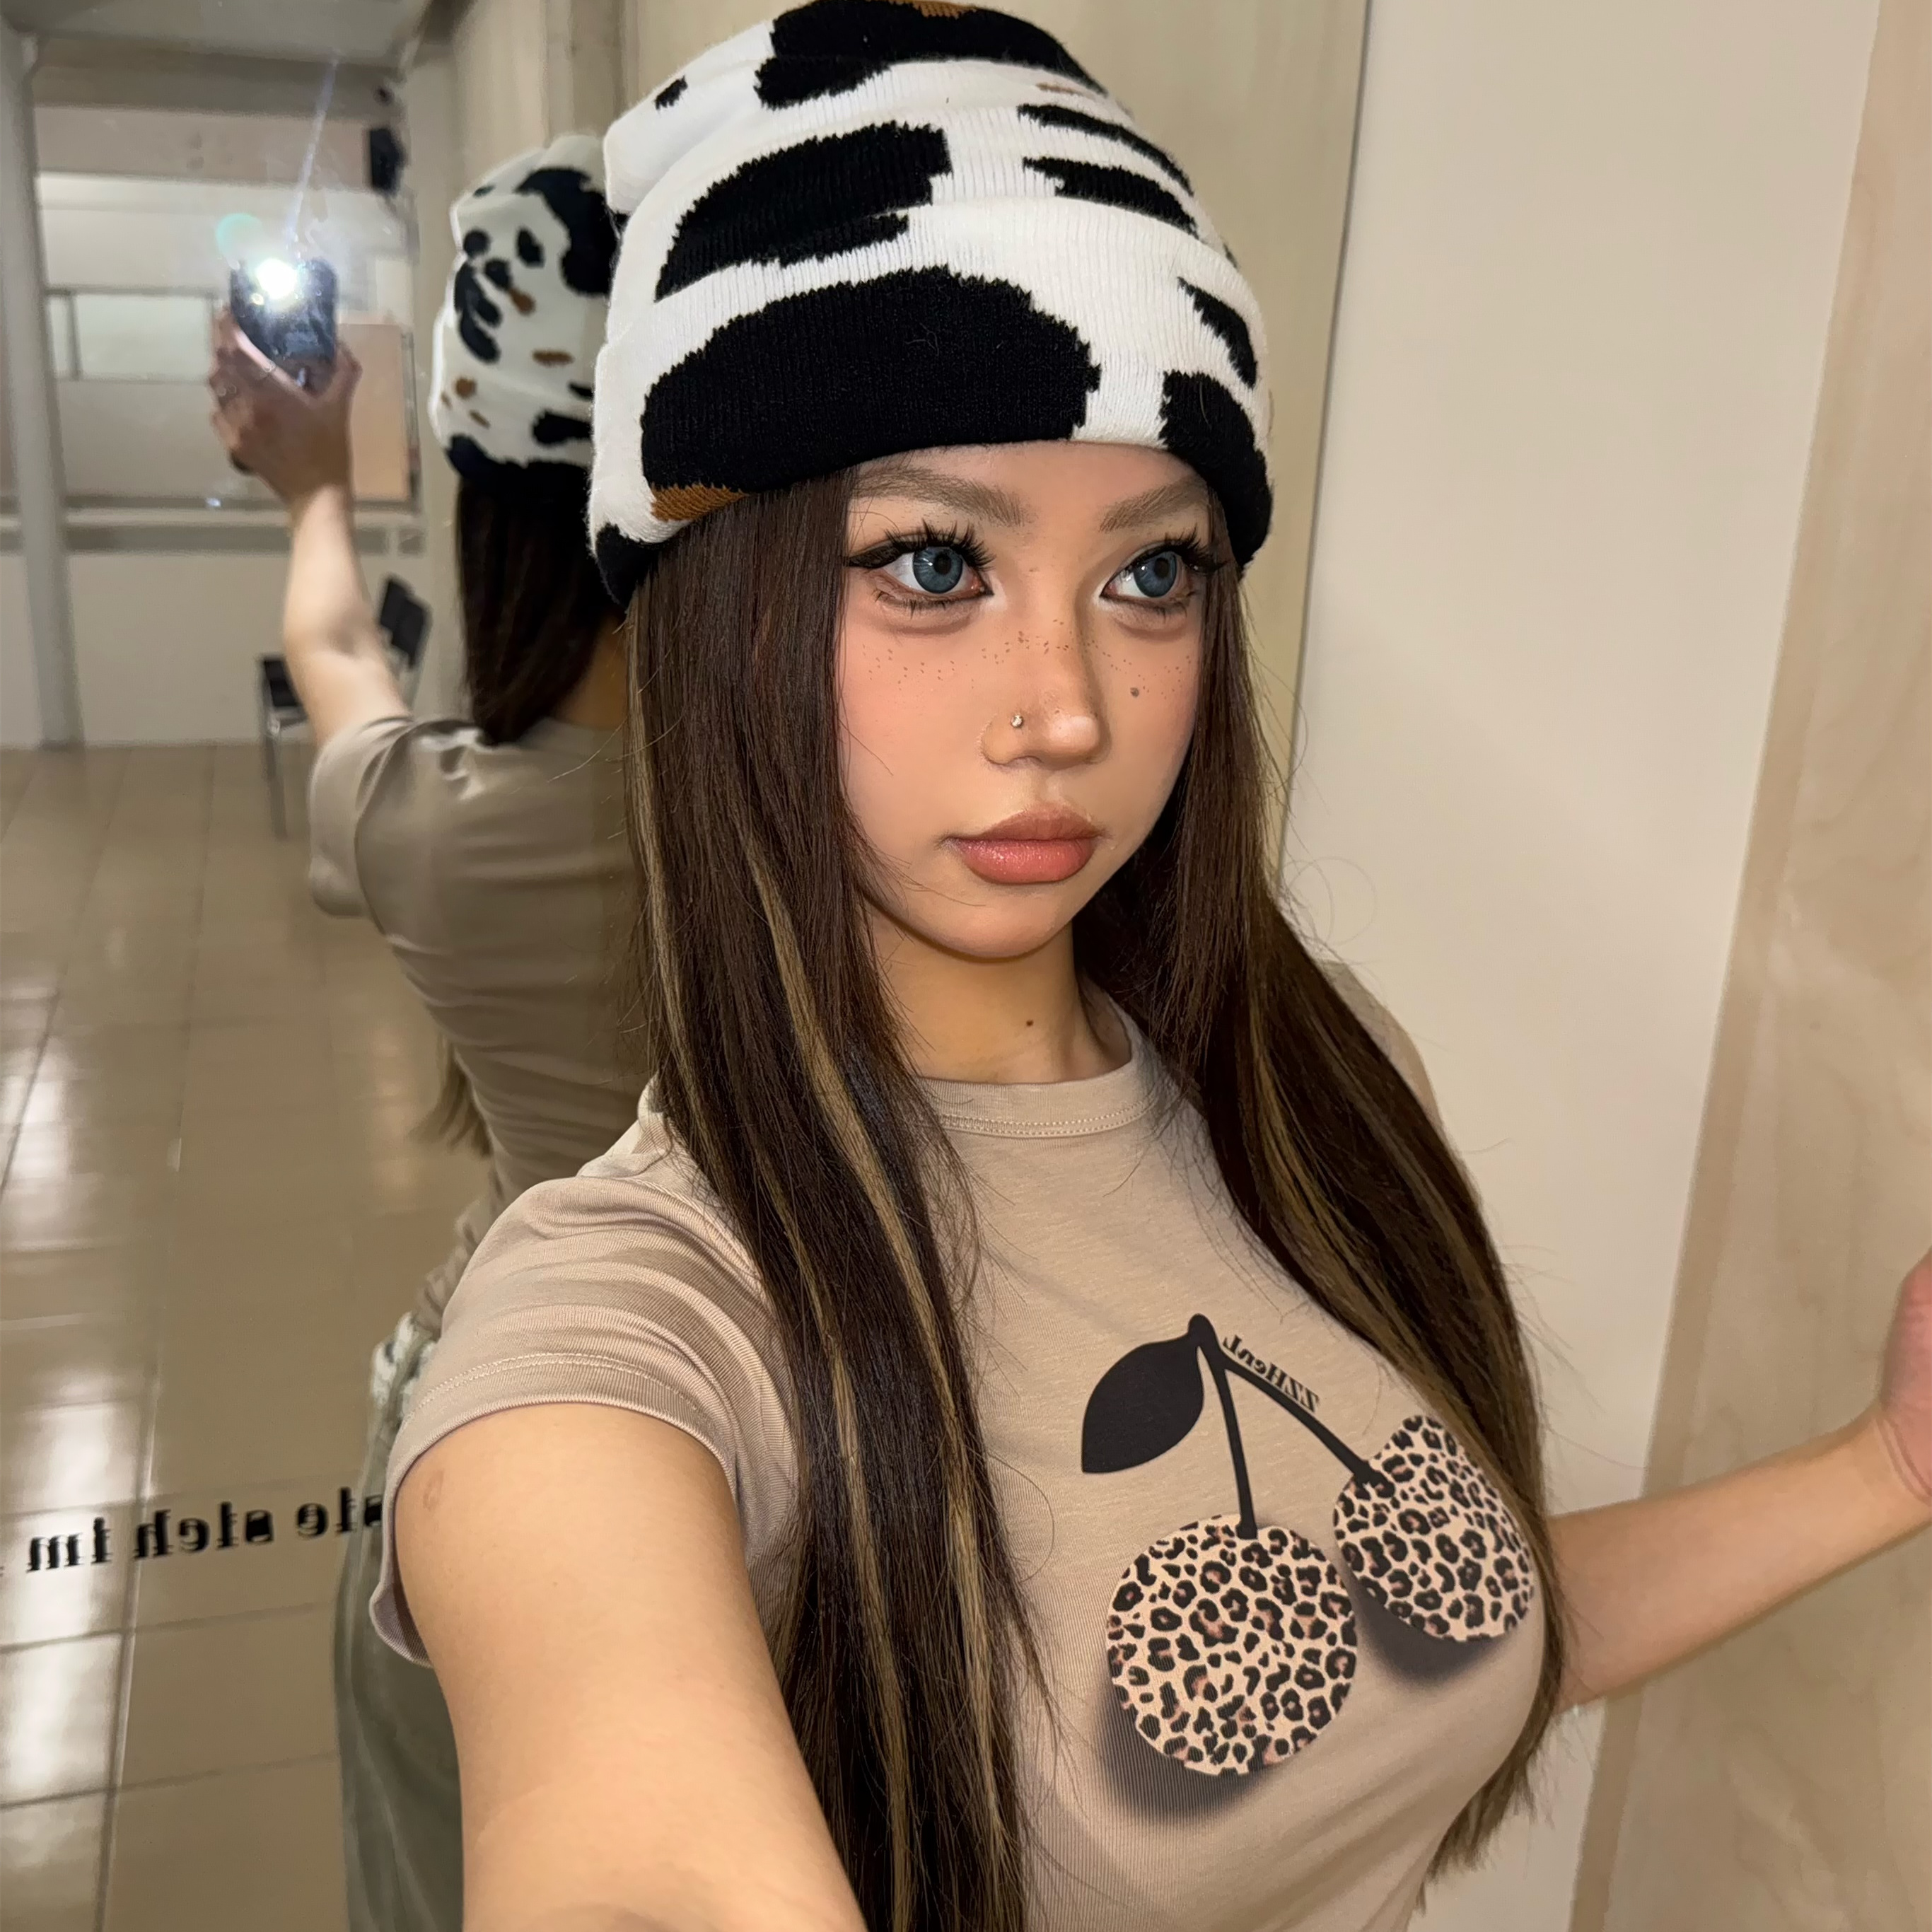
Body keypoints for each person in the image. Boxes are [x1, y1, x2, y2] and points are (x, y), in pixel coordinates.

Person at [365, 11, 1932, 1931]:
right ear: (720, 601)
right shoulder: (640, 1312)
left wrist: (1884, 1462)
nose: (1067, 708)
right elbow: (620, 1810)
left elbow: (1433, 1630)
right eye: (932, 563)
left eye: (1149, 574)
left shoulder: (1307, 1082)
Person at [208, 132, 639, 1932]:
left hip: (490, 1455)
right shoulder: (892, 838)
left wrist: (312, 480)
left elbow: (336, 657)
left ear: (498, 513)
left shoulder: (450, 833)